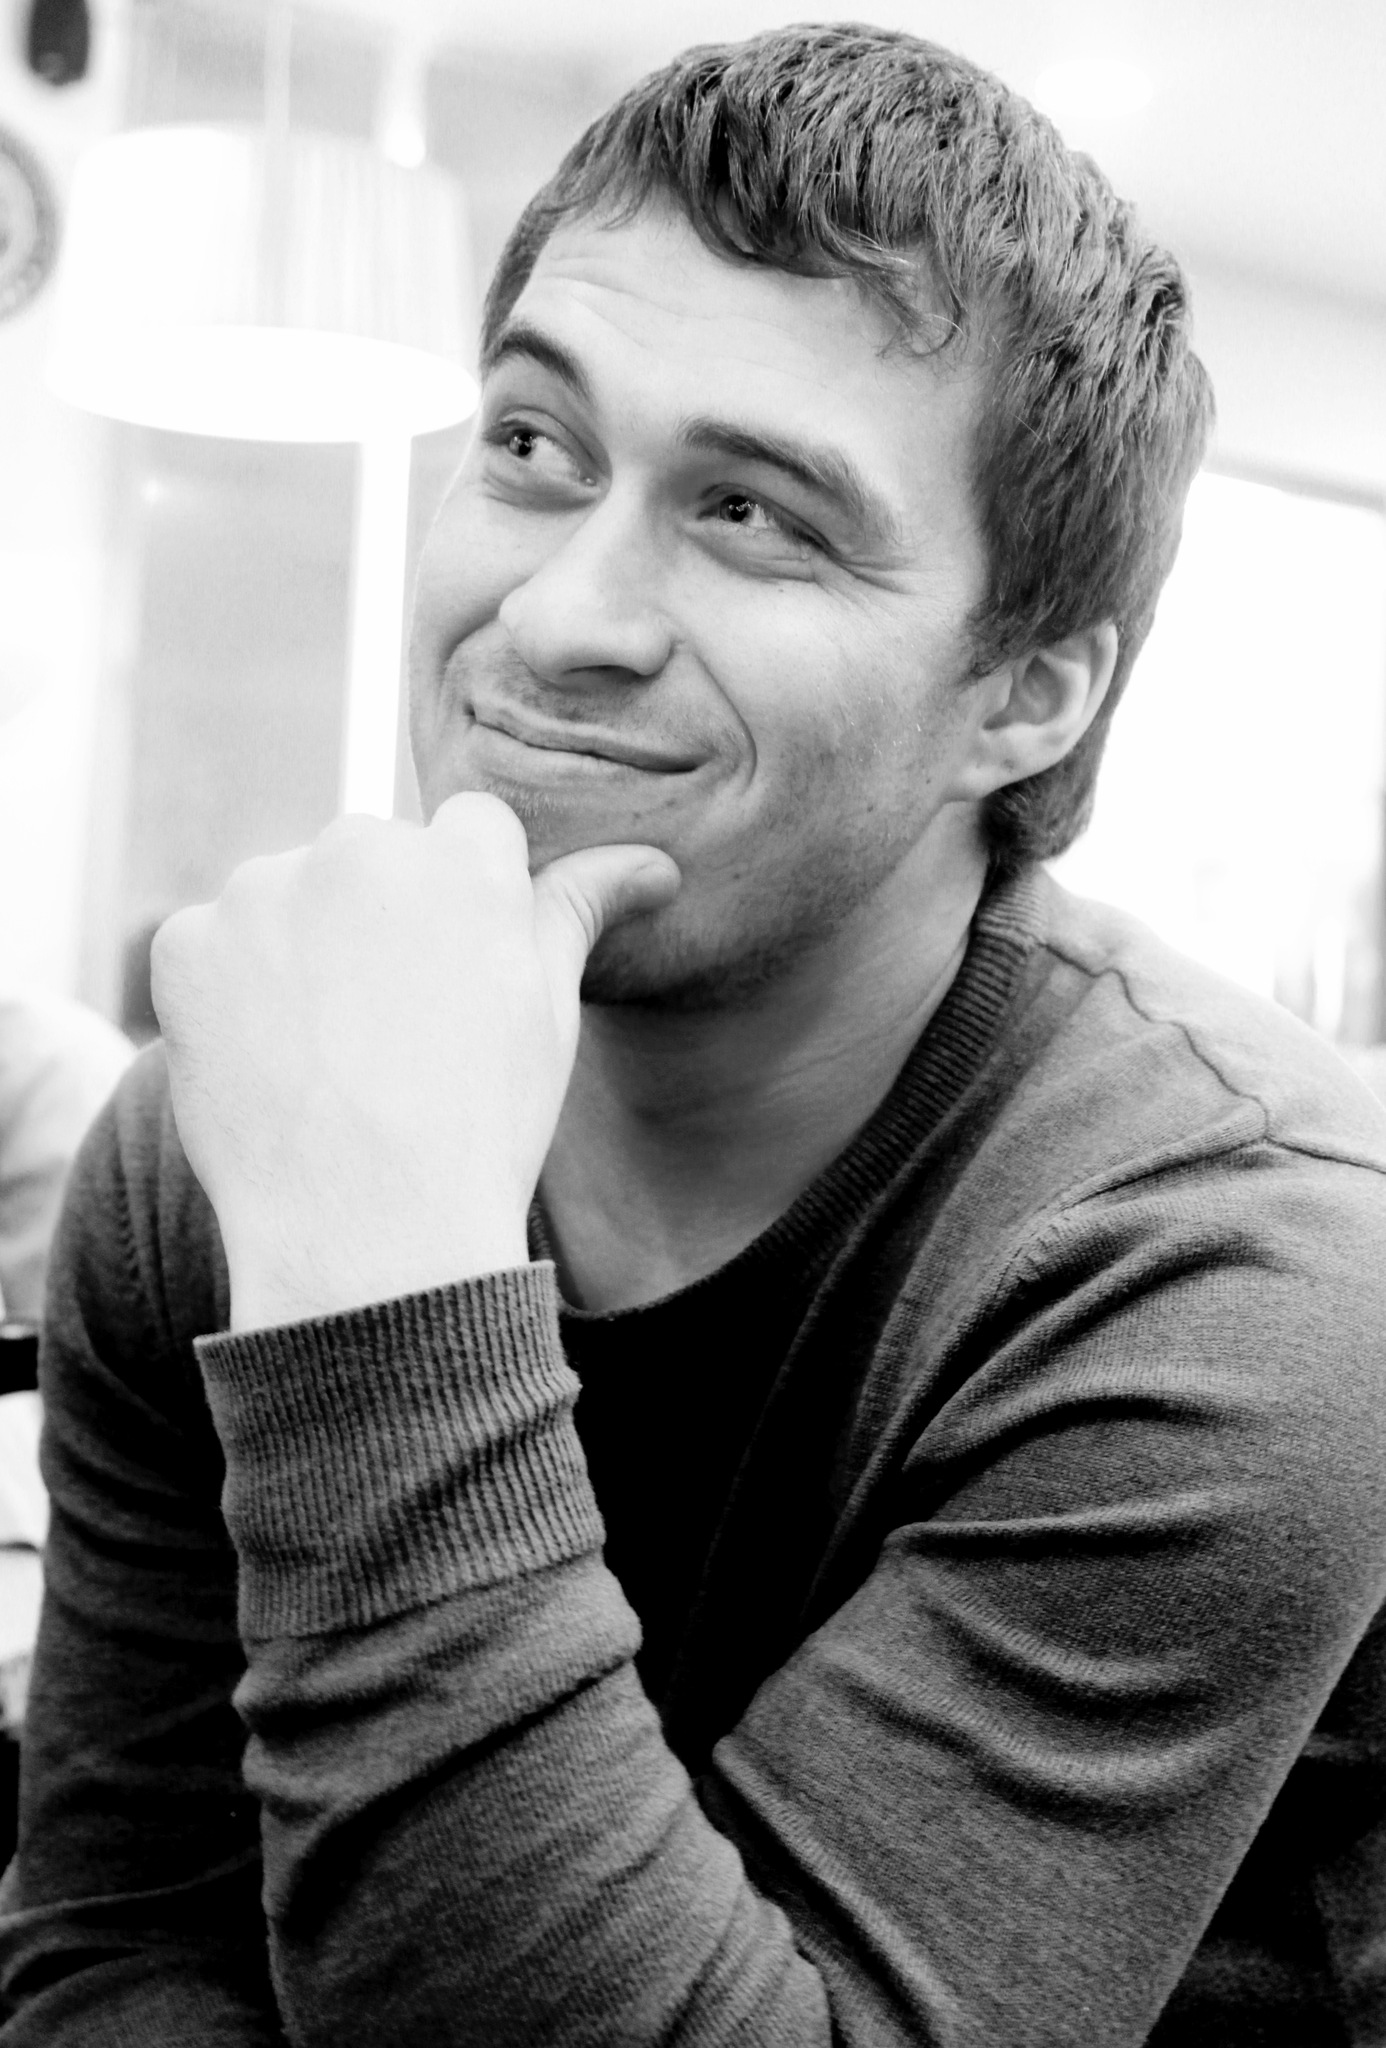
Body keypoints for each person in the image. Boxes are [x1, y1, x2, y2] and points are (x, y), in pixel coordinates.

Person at [3, 24, 1385, 2045]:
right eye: (533, 444)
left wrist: (382, 1287)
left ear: (1026, 695)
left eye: (750, 512)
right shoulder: (214, 1133)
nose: (557, 616)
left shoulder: (1244, 1272)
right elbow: (125, 1945)